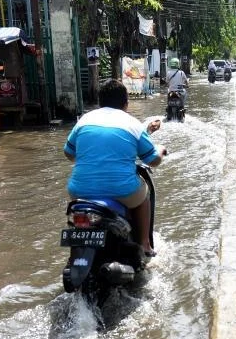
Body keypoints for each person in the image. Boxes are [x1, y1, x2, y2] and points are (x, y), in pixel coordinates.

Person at [64, 79, 166, 257]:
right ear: (126, 103)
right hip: (122, 190)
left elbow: (69, 153)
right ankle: (145, 245)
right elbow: (152, 160)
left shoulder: (83, 121)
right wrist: (160, 151)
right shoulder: (133, 124)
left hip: (79, 191)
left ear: (100, 101)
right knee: (144, 195)